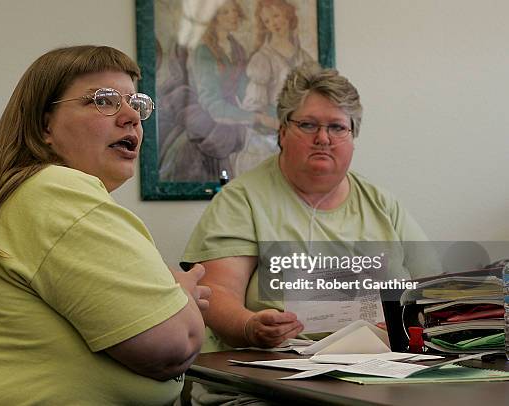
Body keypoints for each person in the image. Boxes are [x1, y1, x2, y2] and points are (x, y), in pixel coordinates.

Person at [0, 45, 210, 405]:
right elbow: (173, 346)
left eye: (137, 104)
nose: (131, 117)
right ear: (44, 125)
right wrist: (179, 291)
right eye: (103, 100)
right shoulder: (54, 189)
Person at [181, 66, 438, 405]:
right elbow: (215, 292)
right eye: (308, 125)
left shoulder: (382, 205)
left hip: (378, 375)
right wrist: (250, 327)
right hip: (270, 382)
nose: (323, 138)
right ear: (283, 131)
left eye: (337, 127)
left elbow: (436, 292)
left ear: (352, 136)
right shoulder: (242, 201)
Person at [158, 0, 276, 181]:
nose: (234, 16)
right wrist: (257, 118)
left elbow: (244, 92)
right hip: (210, 117)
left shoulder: (236, 48)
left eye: (235, 11)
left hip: (233, 110)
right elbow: (211, 103)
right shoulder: (203, 50)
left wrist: (269, 113)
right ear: (213, 19)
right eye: (226, 12)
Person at [232, 0, 319, 175]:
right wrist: (272, 123)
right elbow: (254, 106)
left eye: (276, 16)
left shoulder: (304, 58)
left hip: (301, 135)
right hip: (268, 139)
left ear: (288, 15)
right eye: (267, 21)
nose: (274, 23)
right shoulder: (262, 59)